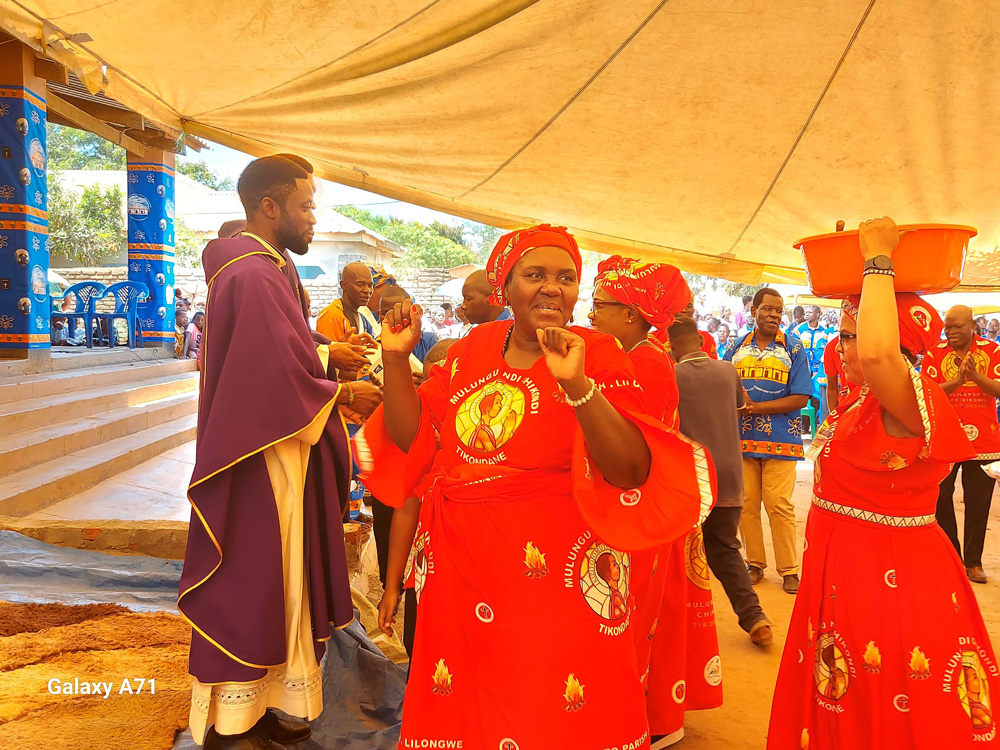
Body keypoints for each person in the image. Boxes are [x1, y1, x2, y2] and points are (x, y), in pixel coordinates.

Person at [357, 224, 713, 749]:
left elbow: (630, 470)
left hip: (560, 582)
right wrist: (393, 358)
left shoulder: (600, 352)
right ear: (505, 286)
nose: (553, 287)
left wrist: (577, 384)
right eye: (535, 275)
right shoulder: (469, 349)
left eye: (566, 278)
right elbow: (416, 441)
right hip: (463, 575)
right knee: (473, 710)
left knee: (555, 712)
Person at [766, 217, 997, 750]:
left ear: (896, 339)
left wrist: (875, 259)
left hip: (886, 577)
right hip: (848, 571)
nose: (843, 345)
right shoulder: (864, 401)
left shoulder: (909, 400)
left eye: (850, 333)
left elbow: (876, 353)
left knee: (884, 695)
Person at [178, 156, 382, 750]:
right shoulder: (253, 271)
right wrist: (339, 388)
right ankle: (234, 721)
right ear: (270, 206)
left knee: (281, 577)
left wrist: (325, 353)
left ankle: (267, 701)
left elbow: (276, 345)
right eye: (307, 205)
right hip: (261, 449)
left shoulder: (264, 264)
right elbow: (260, 371)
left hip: (273, 437)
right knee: (262, 576)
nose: (314, 218)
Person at [589, 256, 721, 749]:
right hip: (648, 502)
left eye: (601, 306)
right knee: (653, 611)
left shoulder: (641, 361)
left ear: (631, 315)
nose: (591, 313)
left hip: (640, 502)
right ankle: (657, 713)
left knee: (640, 615)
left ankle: (650, 718)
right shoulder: (643, 355)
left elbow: (628, 442)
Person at [669, 318, 772, 648]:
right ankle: (755, 617)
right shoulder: (728, 371)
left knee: (677, 554)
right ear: (700, 340)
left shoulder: (672, 376)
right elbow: (740, 408)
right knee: (725, 549)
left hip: (691, 478)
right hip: (729, 475)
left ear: (671, 348)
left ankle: (677, 626)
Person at [725, 288, 812, 594]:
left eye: (779, 310)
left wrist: (757, 408)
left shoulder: (795, 348)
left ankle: (789, 569)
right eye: (768, 309)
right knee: (746, 504)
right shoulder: (736, 347)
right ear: (754, 311)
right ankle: (754, 564)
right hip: (743, 439)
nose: (775, 315)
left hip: (782, 439)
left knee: (779, 505)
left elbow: (801, 396)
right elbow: (724, 387)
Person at [378, 337, 460, 659]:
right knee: (422, 656)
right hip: (426, 578)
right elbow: (406, 509)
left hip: (468, 574)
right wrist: (392, 587)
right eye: (429, 383)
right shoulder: (423, 437)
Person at [924, 305, 1000, 584]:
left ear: (973, 327)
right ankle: (952, 558)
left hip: (985, 440)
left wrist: (976, 376)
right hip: (946, 436)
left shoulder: (992, 351)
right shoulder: (935, 353)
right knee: (940, 497)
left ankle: (974, 562)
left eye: (957, 327)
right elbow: (928, 390)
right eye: (948, 327)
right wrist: (957, 381)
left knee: (978, 503)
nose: (951, 332)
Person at [316, 262, 376, 343]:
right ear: (343, 285)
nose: (367, 290)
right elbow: (326, 352)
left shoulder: (362, 317)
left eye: (370, 285)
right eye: (360, 284)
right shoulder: (330, 316)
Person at [795, 305, 832, 425]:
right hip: (802, 369)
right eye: (806, 312)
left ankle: (816, 424)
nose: (807, 314)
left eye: (810, 312)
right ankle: (803, 425)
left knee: (818, 397)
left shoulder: (823, 331)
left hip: (817, 371)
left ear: (818, 314)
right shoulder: (798, 330)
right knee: (802, 395)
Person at [459, 269, 513, 336]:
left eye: (468, 299)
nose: (463, 306)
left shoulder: (510, 333)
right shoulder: (479, 331)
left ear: (493, 299)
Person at [823, 334, 857, 413]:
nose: (838, 348)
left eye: (848, 337)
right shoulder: (831, 347)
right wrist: (833, 419)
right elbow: (832, 389)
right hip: (845, 408)